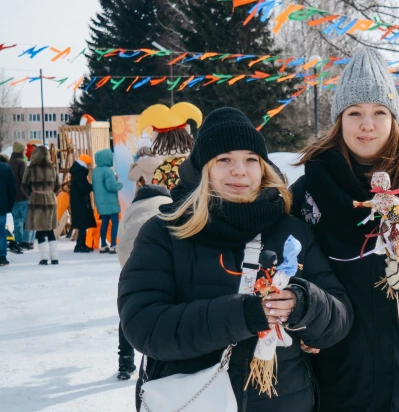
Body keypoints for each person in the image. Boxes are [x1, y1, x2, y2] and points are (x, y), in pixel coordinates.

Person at [118, 107, 353, 411]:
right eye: (224, 159)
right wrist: (243, 315)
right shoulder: (165, 233)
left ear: (264, 168)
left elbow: (340, 319)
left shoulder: (292, 231)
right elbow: (144, 326)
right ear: (204, 168)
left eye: (251, 160)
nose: (239, 170)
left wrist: (305, 304)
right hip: (194, 401)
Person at [291, 47, 399, 411]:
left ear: (394, 119)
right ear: (339, 120)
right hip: (340, 375)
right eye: (355, 113)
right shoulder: (308, 193)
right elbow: (290, 272)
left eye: (379, 112)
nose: (367, 124)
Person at [115, 183, 172, 380]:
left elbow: (120, 238)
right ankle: (163, 360)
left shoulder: (132, 208)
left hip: (130, 253)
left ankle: (125, 363)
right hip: (163, 251)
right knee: (166, 304)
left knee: (131, 306)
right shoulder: (170, 202)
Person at [134, 102, 202, 189]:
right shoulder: (195, 164)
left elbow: (159, 195)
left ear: (157, 139)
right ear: (186, 133)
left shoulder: (161, 169)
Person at [21, 146, 61, 265]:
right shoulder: (52, 167)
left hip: (36, 200)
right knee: (50, 230)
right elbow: (57, 185)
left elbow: (24, 185)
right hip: (50, 200)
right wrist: (50, 192)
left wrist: (31, 194)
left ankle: (44, 258)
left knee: (40, 230)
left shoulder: (31, 168)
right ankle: (55, 257)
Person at [92, 149, 123, 254]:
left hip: (100, 202)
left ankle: (103, 244)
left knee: (104, 223)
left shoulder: (95, 171)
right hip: (110, 202)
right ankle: (114, 245)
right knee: (115, 222)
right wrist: (120, 184)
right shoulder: (108, 171)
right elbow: (111, 187)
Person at [9, 141, 35, 252]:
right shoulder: (22, 163)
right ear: (20, 151)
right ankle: (27, 241)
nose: (25, 151)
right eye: (24, 149)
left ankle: (18, 241)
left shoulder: (8, 163)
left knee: (17, 221)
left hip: (12, 197)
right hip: (24, 196)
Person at [69, 154, 97, 253]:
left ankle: (81, 243)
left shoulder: (78, 172)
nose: (90, 166)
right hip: (81, 201)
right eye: (89, 164)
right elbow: (82, 189)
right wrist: (91, 187)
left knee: (82, 223)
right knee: (82, 223)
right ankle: (80, 244)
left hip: (78, 201)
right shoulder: (80, 174)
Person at [0, 154, 16, 266]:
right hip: (1, 205)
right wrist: (10, 205)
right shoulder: (6, 168)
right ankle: (2, 256)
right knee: (1, 231)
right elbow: (12, 189)